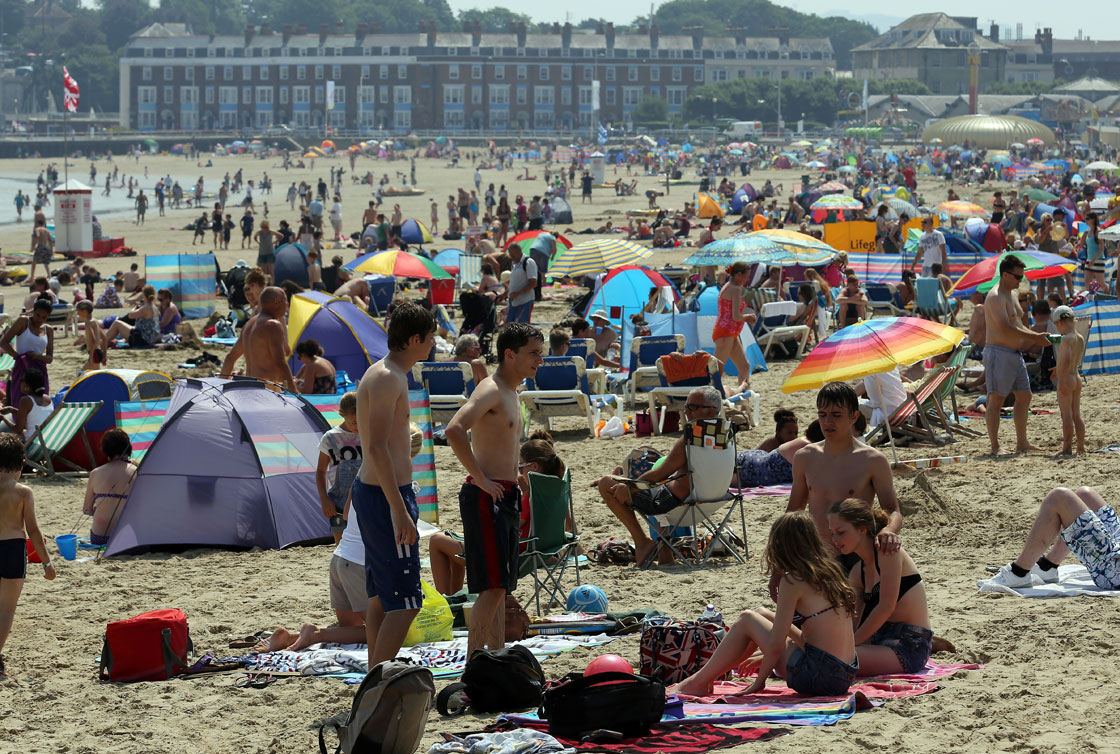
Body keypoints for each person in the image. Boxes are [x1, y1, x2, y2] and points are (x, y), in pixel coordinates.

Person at [673, 512, 857, 698]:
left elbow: (776, 645)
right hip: (843, 675)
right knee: (761, 613)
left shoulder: (793, 580)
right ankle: (708, 676)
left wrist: (759, 682)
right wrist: (764, 657)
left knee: (747, 619)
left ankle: (698, 681)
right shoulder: (830, 571)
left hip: (819, 677)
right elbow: (812, 640)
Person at [445, 322, 544, 656]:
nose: (539, 361)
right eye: (533, 354)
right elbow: (454, 429)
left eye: (541, 354)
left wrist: (512, 474)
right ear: (509, 354)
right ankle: (474, 661)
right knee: (491, 586)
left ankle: (496, 654)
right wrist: (482, 478)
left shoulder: (510, 391)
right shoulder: (491, 389)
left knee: (502, 586)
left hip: (504, 492)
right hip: (487, 495)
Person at [352, 301, 437, 666]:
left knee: (380, 600)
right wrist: (400, 511)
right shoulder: (390, 377)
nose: (433, 344)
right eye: (430, 338)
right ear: (414, 339)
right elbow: (377, 447)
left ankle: (374, 676)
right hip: (386, 497)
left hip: (374, 492)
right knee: (405, 603)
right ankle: (377, 682)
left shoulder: (382, 372)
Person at [780, 382, 902, 596]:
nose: (828, 421)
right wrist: (780, 563)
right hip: (817, 553)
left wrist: (888, 531)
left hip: (856, 555)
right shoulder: (805, 458)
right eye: (823, 414)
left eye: (836, 415)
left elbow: (893, 510)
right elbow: (793, 512)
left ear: (854, 416)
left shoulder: (872, 460)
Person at [429, 430, 568, 596]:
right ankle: (453, 599)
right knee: (450, 539)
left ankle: (446, 603)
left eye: (520, 466)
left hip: (511, 555)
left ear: (534, 466)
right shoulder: (554, 491)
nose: (519, 472)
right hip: (537, 551)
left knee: (436, 540)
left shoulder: (529, 498)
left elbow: (511, 525)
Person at [596, 387, 720, 565]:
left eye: (692, 407)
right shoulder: (725, 435)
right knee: (655, 482)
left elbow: (661, 472)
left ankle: (643, 542)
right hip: (714, 499)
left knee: (606, 483)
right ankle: (664, 550)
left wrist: (629, 486)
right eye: (686, 406)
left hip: (676, 503)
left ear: (710, 410)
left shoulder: (692, 435)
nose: (686, 412)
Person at [829, 498, 932, 675]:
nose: (834, 539)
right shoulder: (857, 571)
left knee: (836, 660)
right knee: (824, 654)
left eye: (840, 532)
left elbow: (886, 607)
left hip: (910, 645)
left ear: (862, 529)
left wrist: (850, 645)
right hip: (880, 640)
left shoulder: (888, 553)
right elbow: (853, 618)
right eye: (832, 533)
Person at [982, 256, 1051, 455]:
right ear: (1005, 274)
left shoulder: (1011, 294)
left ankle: (1022, 442)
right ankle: (995, 447)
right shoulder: (995, 296)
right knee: (996, 399)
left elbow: (1018, 324)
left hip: (1014, 353)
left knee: (1024, 396)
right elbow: (1005, 327)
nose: (1021, 280)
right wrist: (1035, 337)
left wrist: (1034, 337)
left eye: (1022, 276)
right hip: (998, 352)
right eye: (1018, 276)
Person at [990, 485, 1120, 589]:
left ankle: (1018, 573)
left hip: (1115, 569)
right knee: (1085, 494)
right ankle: (1048, 567)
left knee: (1059, 497)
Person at [0, 432, 55, 675]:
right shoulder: (23, 492)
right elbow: (33, 530)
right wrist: (47, 563)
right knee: (6, 609)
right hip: (12, 549)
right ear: (21, 463)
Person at [316, 391, 360, 546]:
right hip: (338, 505)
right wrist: (324, 499)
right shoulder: (330, 438)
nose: (358, 426)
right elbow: (320, 471)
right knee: (342, 549)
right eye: (354, 422)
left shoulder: (368, 434)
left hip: (365, 501)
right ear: (343, 415)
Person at [82, 429, 137, 546]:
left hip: (99, 537)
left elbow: (87, 510)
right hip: (128, 538)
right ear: (128, 448)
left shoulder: (95, 473)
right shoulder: (137, 472)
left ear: (106, 450)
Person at [238, 287, 297, 392]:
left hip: (249, 383)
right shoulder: (272, 325)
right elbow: (280, 361)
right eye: (285, 300)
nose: (287, 304)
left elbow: (230, 357)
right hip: (266, 386)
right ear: (276, 302)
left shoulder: (249, 324)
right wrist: (293, 390)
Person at [712, 262, 758, 394]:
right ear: (738, 274)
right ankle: (712, 400)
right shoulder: (735, 289)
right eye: (746, 276)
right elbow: (737, 316)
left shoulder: (728, 287)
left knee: (744, 366)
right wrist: (748, 317)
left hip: (729, 332)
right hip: (725, 333)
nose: (747, 279)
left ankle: (744, 403)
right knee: (716, 372)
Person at [0, 297, 54, 408]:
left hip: (40, 370)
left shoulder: (48, 330)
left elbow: (50, 358)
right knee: (19, 402)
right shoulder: (23, 321)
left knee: (40, 403)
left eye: (44, 317)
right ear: (33, 311)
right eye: (38, 315)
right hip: (22, 368)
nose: (40, 319)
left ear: (48, 316)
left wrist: (37, 357)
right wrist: (18, 357)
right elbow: (4, 342)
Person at [1050, 305, 1085, 456]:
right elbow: (1073, 361)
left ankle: (1067, 447)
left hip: (1067, 379)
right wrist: (1057, 369)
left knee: (1066, 415)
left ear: (1060, 322)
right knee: (1077, 414)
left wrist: (1061, 379)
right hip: (1076, 377)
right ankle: (1081, 446)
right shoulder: (1080, 338)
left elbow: (1066, 360)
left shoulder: (1066, 339)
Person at [0, 369, 52, 441]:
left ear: (27, 385)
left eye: (22, 380)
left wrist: (3, 418)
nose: (20, 382)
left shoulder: (25, 400)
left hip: (33, 442)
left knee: (5, 435)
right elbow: (35, 414)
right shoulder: (47, 398)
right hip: (47, 438)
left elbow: (17, 430)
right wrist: (11, 409)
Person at [505, 244, 537, 324]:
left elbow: (533, 283)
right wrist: (504, 293)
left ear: (519, 251)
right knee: (510, 326)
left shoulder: (528, 262)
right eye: (510, 254)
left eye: (513, 254)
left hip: (525, 301)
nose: (511, 256)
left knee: (521, 327)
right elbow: (514, 282)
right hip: (513, 302)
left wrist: (518, 293)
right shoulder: (514, 263)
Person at [75, 301, 108, 372]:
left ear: (84, 311)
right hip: (98, 353)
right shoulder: (95, 321)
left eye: (78, 311)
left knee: (81, 375)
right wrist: (104, 355)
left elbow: (94, 339)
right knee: (96, 376)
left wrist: (91, 357)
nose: (77, 313)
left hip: (94, 354)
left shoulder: (88, 322)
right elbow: (104, 338)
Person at [1082, 212, 1106, 290]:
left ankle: (1108, 295)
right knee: (1087, 281)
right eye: (1085, 219)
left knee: (1101, 283)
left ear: (1093, 219)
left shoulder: (1098, 232)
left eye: (1087, 219)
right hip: (1089, 260)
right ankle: (1089, 299)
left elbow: (1102, 249)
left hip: (1098, 260)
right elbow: (1083, 246)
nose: (1086, 221)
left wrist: (1093, 260)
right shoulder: (1086, 232)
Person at [28, 217, 53, 283]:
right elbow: (50, 240)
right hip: (47, 247)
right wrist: (52, 250)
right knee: (46, 263)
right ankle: (49, 276)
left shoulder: (37, 229)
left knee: (34, 262)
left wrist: (33, 247)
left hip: (40, 246)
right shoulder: (47, 230)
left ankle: (32, 277)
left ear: (37, 224)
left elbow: (37, 236)